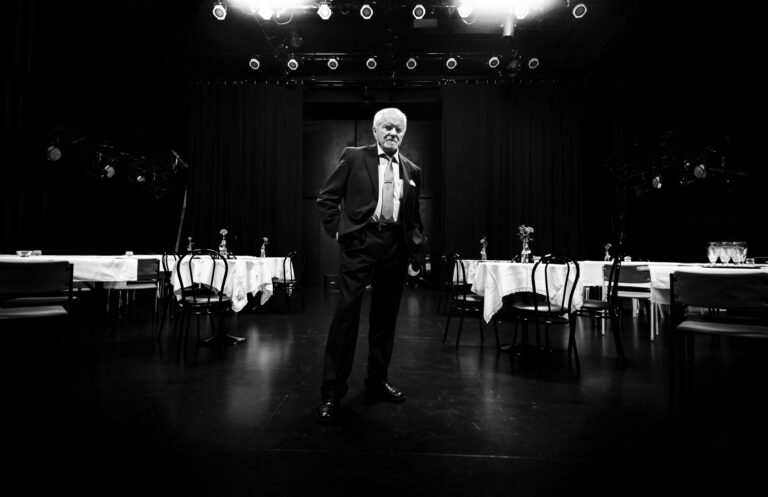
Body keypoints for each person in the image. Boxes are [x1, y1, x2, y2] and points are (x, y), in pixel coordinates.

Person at [315, 107, 426, 424]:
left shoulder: (412, 170)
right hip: (360, 244)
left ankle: (377, 382)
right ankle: (332, 392)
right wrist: (340, 232)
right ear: (375, 131)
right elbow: (326, 199)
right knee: (346, 317)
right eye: (387, 127)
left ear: (403, 134)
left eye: (398, 129)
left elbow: (414, 218)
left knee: (385, 319)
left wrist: (417, 253)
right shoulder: (354, 157)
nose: (393, 133)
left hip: (395, 248)